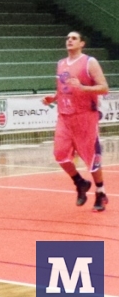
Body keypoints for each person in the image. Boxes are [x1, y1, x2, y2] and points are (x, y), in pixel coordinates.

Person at [42, 31, 109, 212]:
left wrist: (83, 87)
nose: (69, 40)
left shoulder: (89, 62)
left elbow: (104, 88)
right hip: (64, 116)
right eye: (67, 38)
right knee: (60, 155)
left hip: (85, 116)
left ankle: (100, 192)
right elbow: (64, 88)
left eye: (74, 38)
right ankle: (80, 182)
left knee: (91, 158)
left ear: (82, 43)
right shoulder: (61, 64)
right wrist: (53, 98)